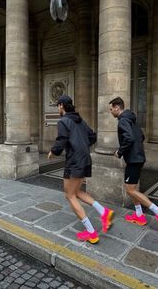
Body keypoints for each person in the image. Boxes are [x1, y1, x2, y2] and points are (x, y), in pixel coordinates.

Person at [48, 95, 114, 243]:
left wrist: (54, 151)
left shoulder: (63, 121)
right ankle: (104, 213)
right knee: (77, 192)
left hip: (74, 161)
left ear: (61, 106)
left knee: (69, 195)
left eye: (58, 106)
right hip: (85, 159)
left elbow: (62, 139)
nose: (58, 108)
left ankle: (91, 232)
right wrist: (82, 145)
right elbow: (92, 136)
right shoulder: (80, 121)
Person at [109, 97, 158, 233]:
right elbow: (141, 137)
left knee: (130, 190)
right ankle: (139, 215)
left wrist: (120, 151)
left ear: (117, 107)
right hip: (138, 157)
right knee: (132, 188)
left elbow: (129, 138)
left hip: (134, 159)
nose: (111, 111)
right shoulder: (131, 120)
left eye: (111, 109)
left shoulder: (123, 120)